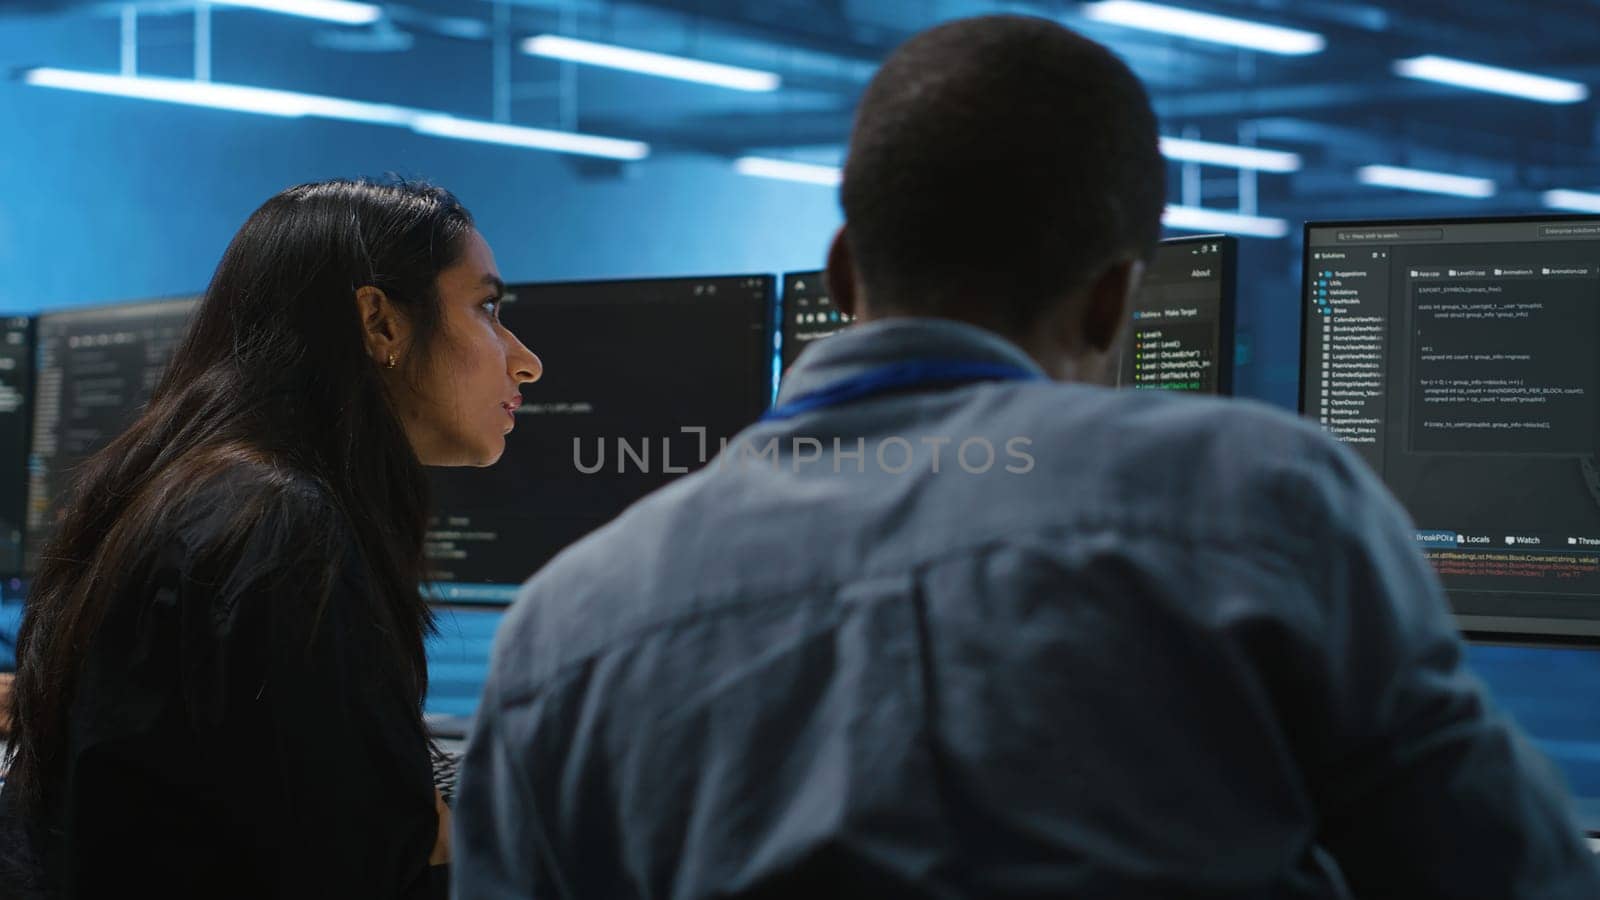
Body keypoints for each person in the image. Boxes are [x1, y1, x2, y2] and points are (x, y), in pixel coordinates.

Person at [455, 14, 1600, 899]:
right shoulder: (1256, 503)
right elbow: (1511, 875)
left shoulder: (565, 625)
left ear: (844, 277)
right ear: (1113, 302)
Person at [0, 178, 540, 898]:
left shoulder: (188, 485)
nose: (525, 359)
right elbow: (369, 859)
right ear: (380, 324)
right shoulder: (281, 528)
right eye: (487, 308)